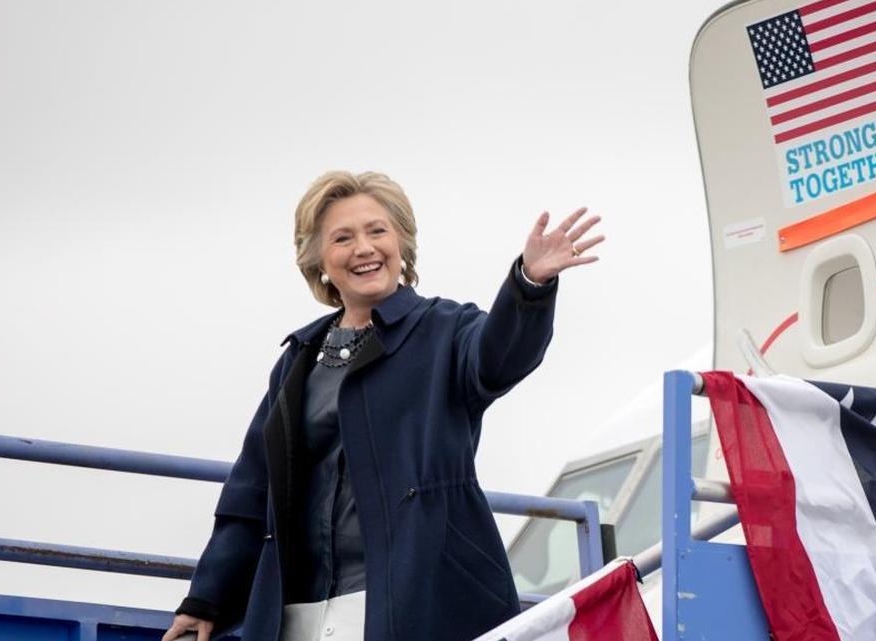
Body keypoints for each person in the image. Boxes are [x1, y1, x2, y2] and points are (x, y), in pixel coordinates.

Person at [161, 170, 603, 641]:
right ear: (319, 261)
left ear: (401, 244)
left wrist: (528, 284)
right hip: (299, 614)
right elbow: (252, 491)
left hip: (414, 605)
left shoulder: (445, 330)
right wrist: (206, 599)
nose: (364, 249)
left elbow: (499, 357)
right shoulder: (297, 360)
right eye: (343, 238)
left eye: (377, 231)